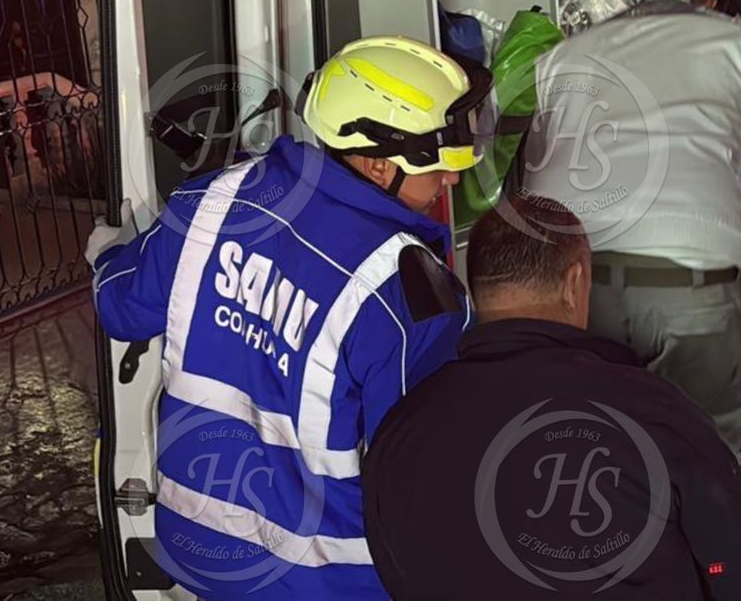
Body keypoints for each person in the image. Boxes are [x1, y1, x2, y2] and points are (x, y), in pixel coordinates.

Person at [86, 36, 489, 600]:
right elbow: (417, 484)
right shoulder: (409, 296)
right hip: (326, 584)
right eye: (441, 166)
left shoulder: (211, 202)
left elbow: (119, 309)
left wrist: (107, 256)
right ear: (377, 165)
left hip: (201, 555)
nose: (452, 180)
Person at [362, 196, 741, 601]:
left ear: (475, 293)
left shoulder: (401, 431)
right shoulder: (653, 411)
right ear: (575, 282)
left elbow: (395, 575)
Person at [521, 0, 741, 450]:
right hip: (691, 288)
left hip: (574, 287)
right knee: (701, 447)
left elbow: (541, 168)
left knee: (603, 445)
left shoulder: (563, 56)